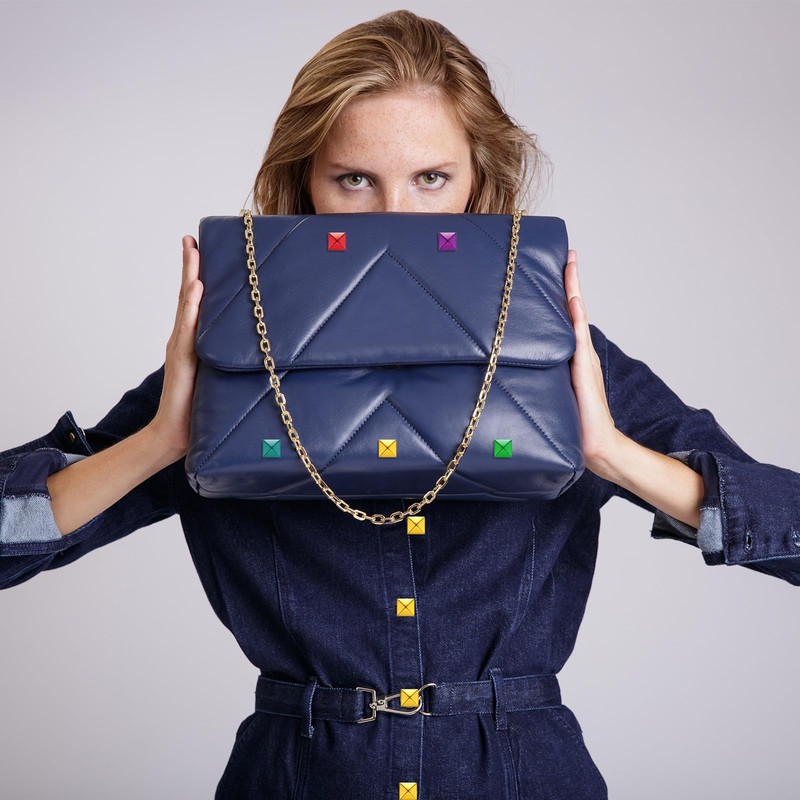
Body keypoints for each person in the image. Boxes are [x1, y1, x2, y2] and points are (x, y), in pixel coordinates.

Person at [1, 9, 798, 799]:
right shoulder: (236, 357)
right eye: (355, 180)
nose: (393, 217)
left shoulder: (563, 354)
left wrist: (610, 453)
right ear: (305, 185)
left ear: (479, 181)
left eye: (430, 179)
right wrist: (158, 442)